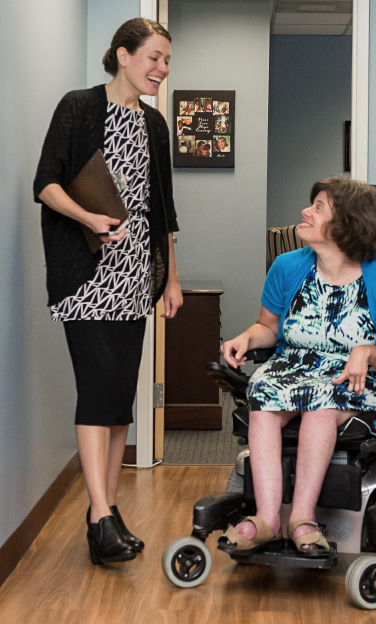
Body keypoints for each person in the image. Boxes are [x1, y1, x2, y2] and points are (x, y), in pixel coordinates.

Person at [33, 18, 182, 565]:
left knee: (119, 397)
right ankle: (100, 515)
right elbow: (45, 183)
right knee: (97, 388)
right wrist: (88, 218)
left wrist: (170, 276)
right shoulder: (78, 107)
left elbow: (163, 209)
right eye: (153, 58)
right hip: (85, 274)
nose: (161, 70)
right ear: (123, 55)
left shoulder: (155, 125)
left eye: (166, 61)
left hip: (136, 275)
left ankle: (107, 513)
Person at [220, 177, 376, 554]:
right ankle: (266, 518)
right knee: (261, 397)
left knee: (321, 408)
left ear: (346, 223)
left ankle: (302, 519)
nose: (305, 212)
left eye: (318, 207)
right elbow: (268, 327)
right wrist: (246, 338)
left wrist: (365, 352)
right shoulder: (287, 266)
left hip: (354, 376)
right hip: (294, 367)